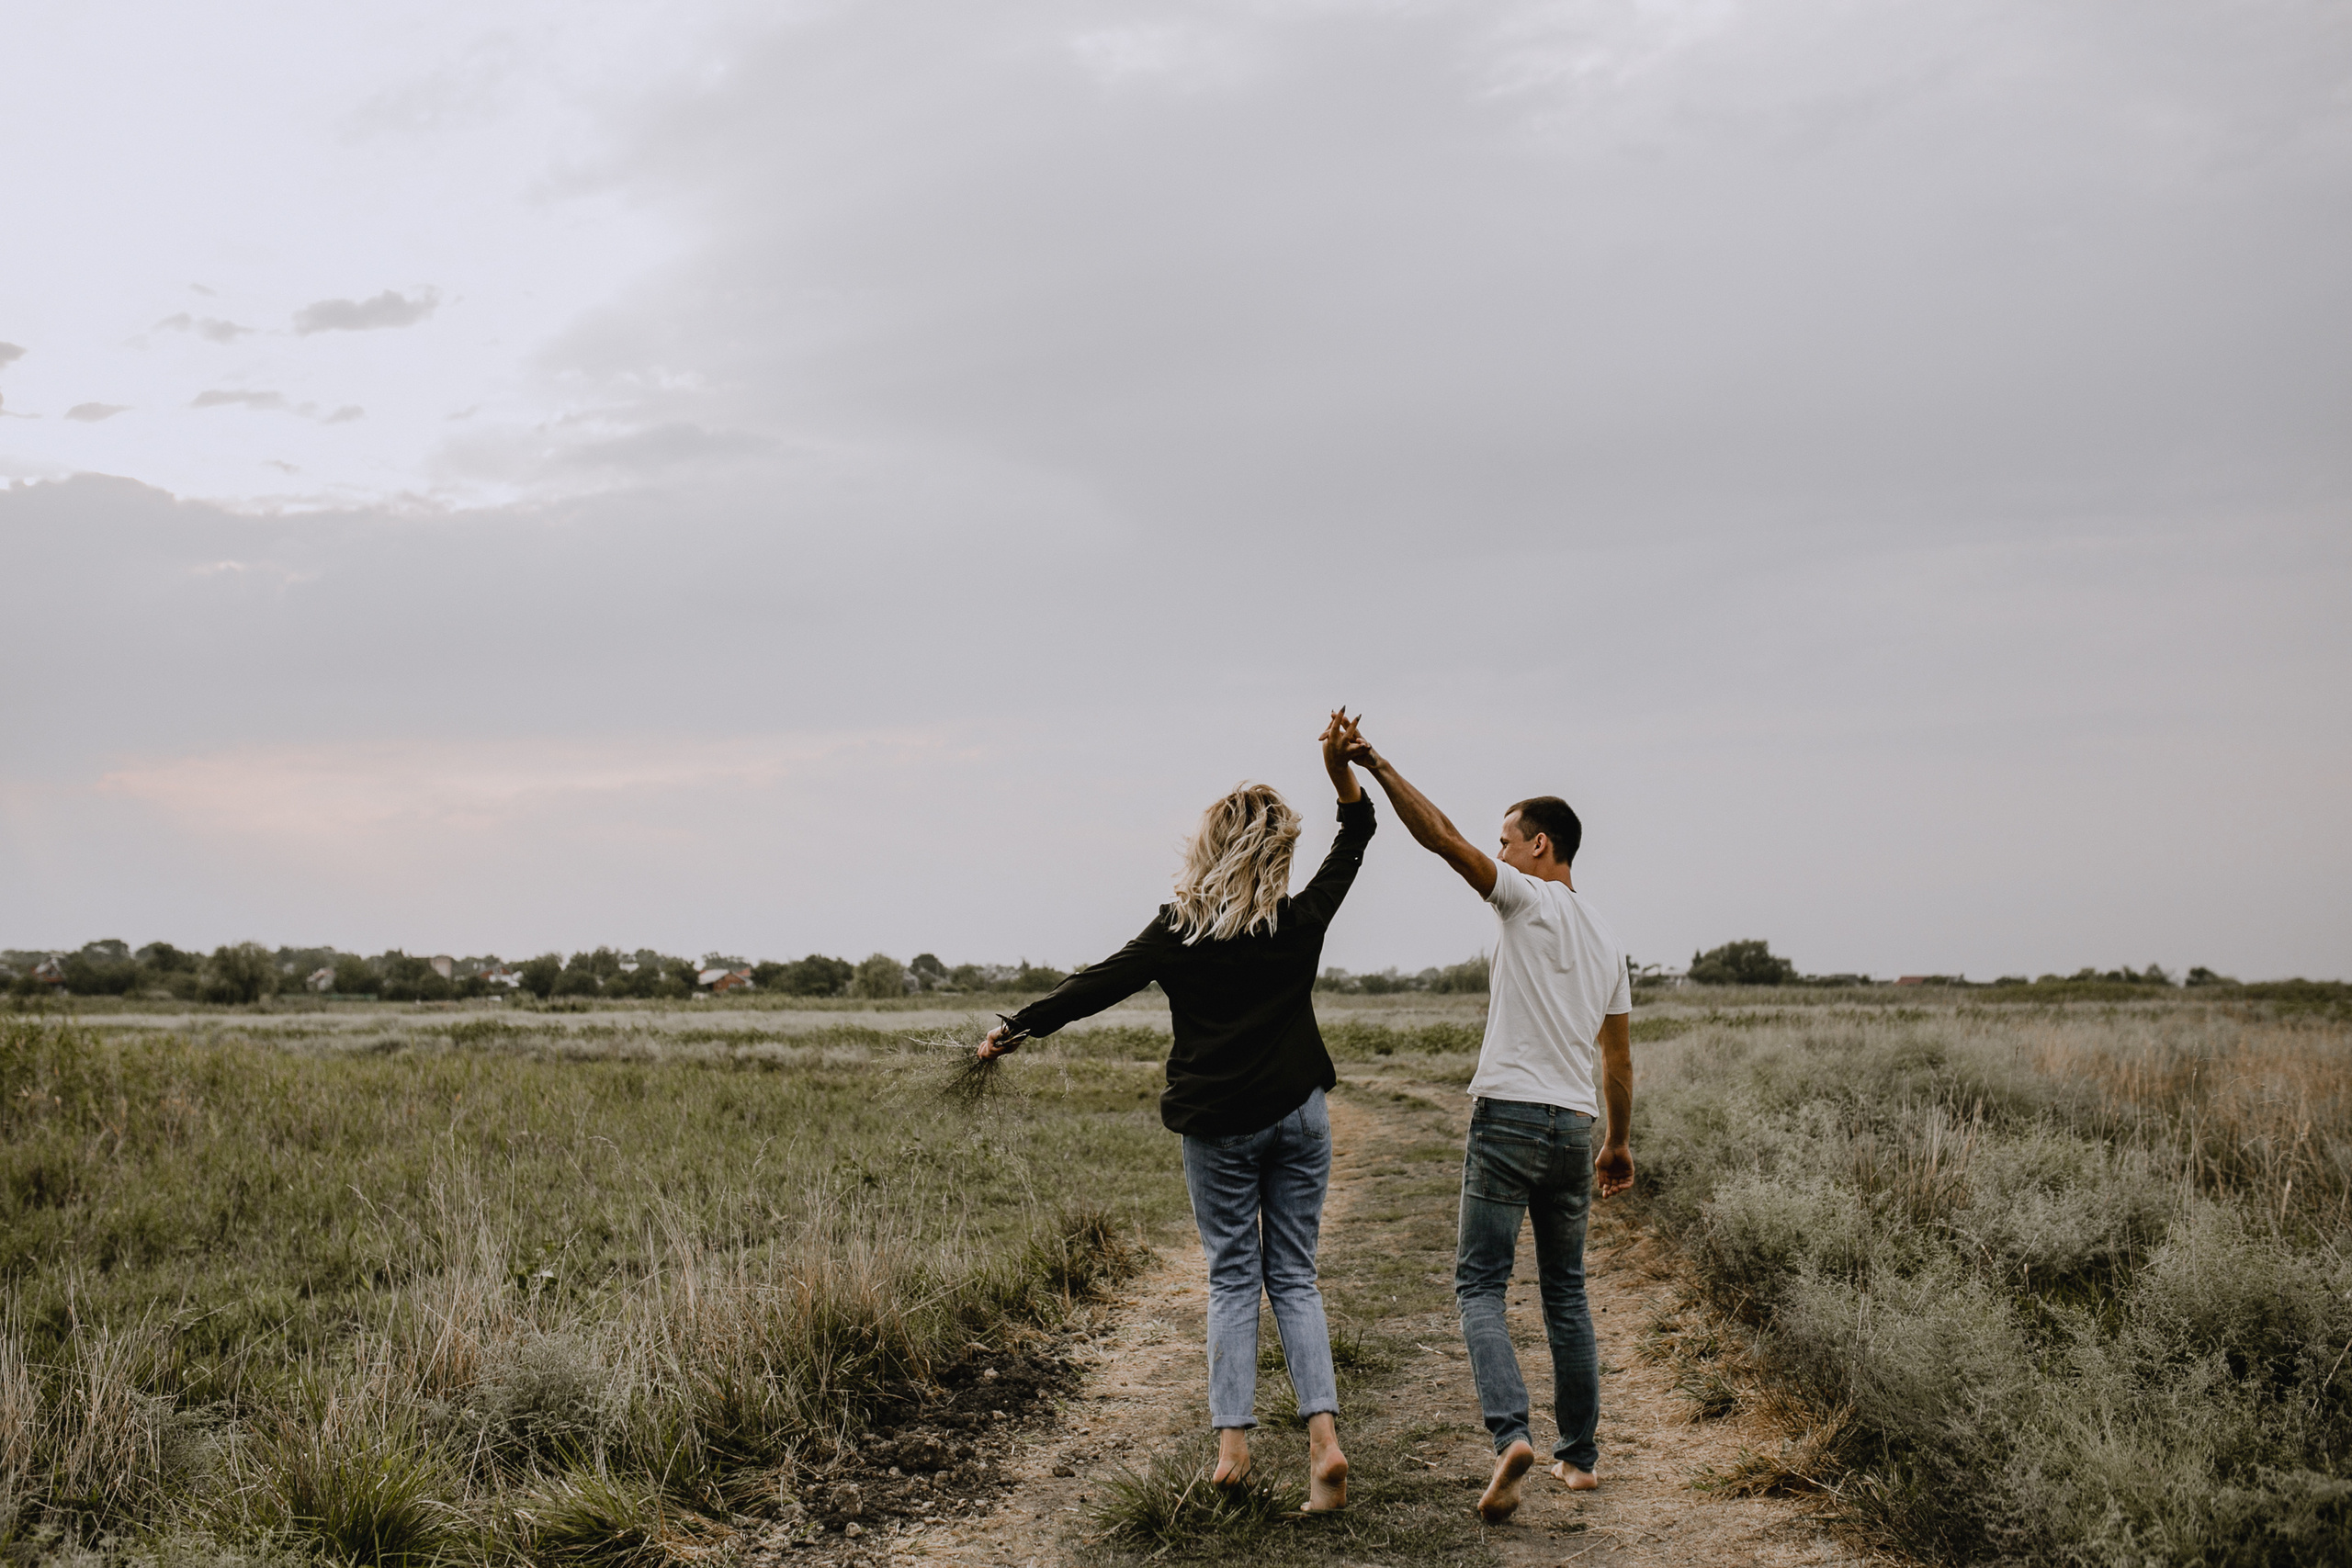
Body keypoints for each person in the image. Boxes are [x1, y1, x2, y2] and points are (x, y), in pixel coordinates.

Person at [977, 711, 1375, 1510]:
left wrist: (1016, 1025)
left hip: (1218, 1124)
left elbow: (1097, 983)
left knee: (1234, 1277)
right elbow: (1357, 833)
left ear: (1210, 848)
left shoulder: (1177, 931)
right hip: (1298, 1112)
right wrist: (1338, 770)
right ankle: (1324, 1441)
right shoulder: (1299, 920)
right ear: (1278, 853)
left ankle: (1232, 1449)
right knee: (1293, 1275)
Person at [1335, 717, 1633, 1526]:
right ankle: (1580, 1459)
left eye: (1509, 838)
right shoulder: (1609, 937)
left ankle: (1511, 1434)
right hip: (1576, 1126)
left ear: (1541, 846)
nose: (1497, 849)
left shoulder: (1525, 896)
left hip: (1508, 1116)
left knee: (1479, 1284)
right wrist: (1617, 1141)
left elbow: (1442, 840)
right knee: (1566, 1291)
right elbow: (1618, 1061)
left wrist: (1382, 767)